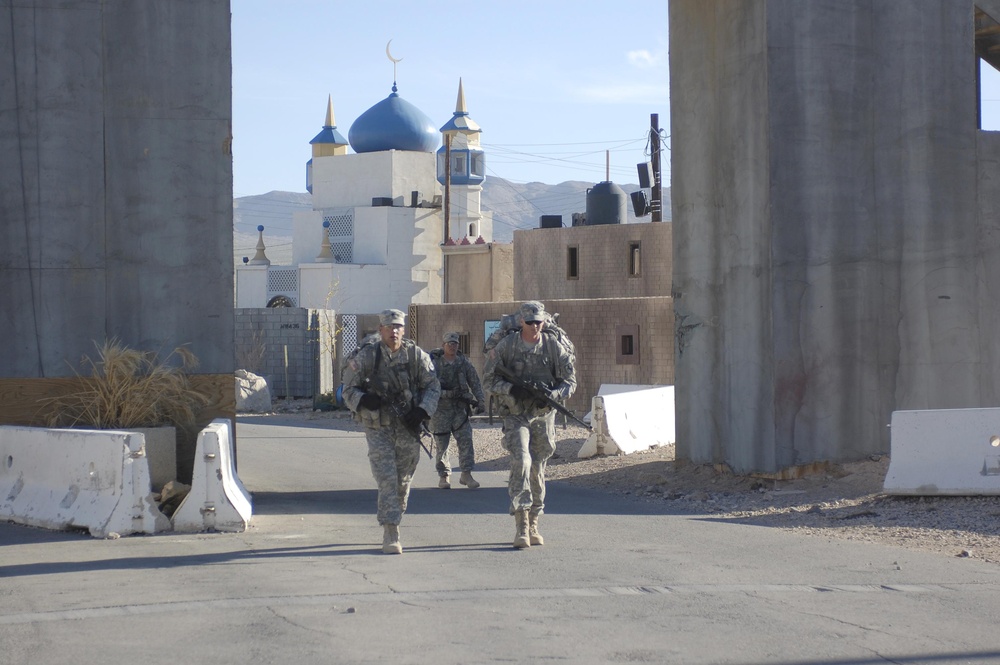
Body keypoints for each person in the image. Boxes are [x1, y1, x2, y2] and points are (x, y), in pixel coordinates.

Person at [341, 308, 440, 554]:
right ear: (381, 330)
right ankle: (391, 530)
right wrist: (364, 400)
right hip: (379, 427)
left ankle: (396, 512)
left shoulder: (416, 356)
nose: (394, 331)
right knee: (386, 477)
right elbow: (347, 390)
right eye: (389, 327)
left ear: (403, 330)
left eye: (398, 327)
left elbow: (433, 387)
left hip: (408, 426)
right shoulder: (366, 358)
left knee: (403, 480)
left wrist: (422, 411)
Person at [483, 301, 577, 549]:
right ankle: (521, 524)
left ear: (543, 322)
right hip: (516, 414)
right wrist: (511, 389)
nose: (534, 326)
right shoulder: (507, 346)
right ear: (521, 322)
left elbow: (570, 380)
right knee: (521, 460)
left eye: (538, 322)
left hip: (542, 414)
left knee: (537, 467)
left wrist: (554, 394)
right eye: (530, 322)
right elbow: (489, 380)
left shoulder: (552, 346)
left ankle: (535, 519)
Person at [428, 331, 487, 490]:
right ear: (443, 345)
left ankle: (466, 474)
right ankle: (444, 476)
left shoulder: (463, 363)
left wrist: (480, 400)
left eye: (455, 344)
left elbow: (474, 382)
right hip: (440, 411)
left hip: (460, 410)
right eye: (449, 344)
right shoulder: (434, 364)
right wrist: (447, 394)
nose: (452, 346)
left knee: (466, 440)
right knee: (442, 444)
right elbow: (428, 387)